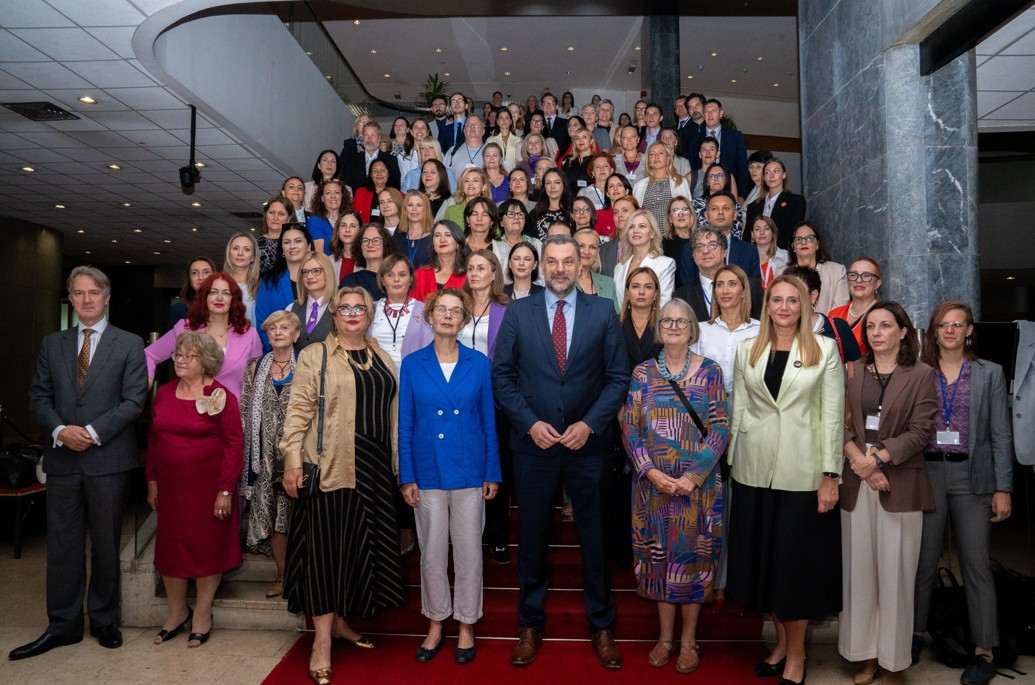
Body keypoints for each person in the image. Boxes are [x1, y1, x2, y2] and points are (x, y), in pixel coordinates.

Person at [493, 235, 630, 671]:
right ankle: (530, 624)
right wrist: (529, 423)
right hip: (533, 446)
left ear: (580, 264)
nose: (559, 269)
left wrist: (589, 424)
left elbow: (618, 377)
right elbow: (502, 377)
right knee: (532, 540)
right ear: (541, 266)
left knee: (595, 540)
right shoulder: (519, 312)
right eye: (551, 261)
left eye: (567, 261)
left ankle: (602, 626)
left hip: (588, 446)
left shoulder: (602, 311)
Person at [12, 267, 148, 661]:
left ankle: (104, 620)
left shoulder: (129, 344)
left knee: (105, 544)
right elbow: (38, 397)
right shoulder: (52, 343)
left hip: (107, 460)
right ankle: (63, 625)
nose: (87, 299)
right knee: (63, 547)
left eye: (93, 292)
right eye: (79, 293)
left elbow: (134, 401)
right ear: (70, 299)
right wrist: (60, 430)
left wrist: (88, 431)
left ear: (106, 296)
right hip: (62, 460)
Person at [279, 286, 405, 684]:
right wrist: (291, 461)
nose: (352, 313)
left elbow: (393, 414)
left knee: (356, 553)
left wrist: (398, 467)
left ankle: (341, 623)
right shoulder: (315, 355)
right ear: (334, 315)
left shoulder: (380, 355)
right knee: (325, 556)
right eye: (344, 308)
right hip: (331, 467)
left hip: (375, 470)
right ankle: (321, 642)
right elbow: (297, 411)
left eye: (359, 308)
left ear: (369, 316)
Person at [727, 274, 845, 685]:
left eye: (792, 300)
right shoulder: (748, 348)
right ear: (766, 306)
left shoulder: (824, 350)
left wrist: (831, 475)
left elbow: (832, 416)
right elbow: (740, 408)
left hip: (803, 475)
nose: (783, 307)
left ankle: (796, 657)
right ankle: (779, 646)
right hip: (753, 471)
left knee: (793, 571)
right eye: (776, 300)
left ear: (805, 306)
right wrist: (732, 461)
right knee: (766, 567)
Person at [622, 298, 729, 674]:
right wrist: (650, 472)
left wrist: (691, 477)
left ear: (692, 328)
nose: (673, 326)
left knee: (692, 562)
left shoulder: (711, 372)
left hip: (697, 489)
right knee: (657, 562)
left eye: (681, 321)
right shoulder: (642, 373)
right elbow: (630, 427)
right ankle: (665, 639)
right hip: (652, 487)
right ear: (659, 327)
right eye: (667, 320)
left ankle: (688, 642)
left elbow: (720, 429)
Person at [912, 301, 1014, 685]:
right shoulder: (920, 372)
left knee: (976, 565)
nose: (950, 331)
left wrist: (1004, 487)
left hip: (973, 477)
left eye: (958, 324)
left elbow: (1001, 434)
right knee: (922, 562)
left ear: (969, 330)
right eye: (943, 325)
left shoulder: (990, 373)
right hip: (927, 474)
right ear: (934, 332)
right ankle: (914, 635)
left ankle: (984, 651)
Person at [399, 287, 501, 665]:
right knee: (431, 553)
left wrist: (492, 472)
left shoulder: (479, 363)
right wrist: (407, 476)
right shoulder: (413, 364)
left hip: (469, 469)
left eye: (455, 311)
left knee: (470, 553)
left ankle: (467, 623)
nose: (447, 316)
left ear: (463, 320)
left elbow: (488, 421)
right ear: (429, 317)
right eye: (441, 309)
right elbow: (405, 424)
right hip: (427, 470)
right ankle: (436, 621)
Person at [839, 302, 939, 685]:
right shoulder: (852, 371)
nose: (877, 333)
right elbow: (837, 422)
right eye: (871, 327)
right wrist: (861, 463)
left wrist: (877, 461)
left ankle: (893, 662)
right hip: (857, 480)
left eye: (885, 326)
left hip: (900, 482)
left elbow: (921, 430)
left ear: (902, 331)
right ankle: (865, 656)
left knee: (896, 575)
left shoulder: (921, 374)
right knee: (860, 573)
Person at [146, 331, 243, 648]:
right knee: (170, 550)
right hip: (171, 489)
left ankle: (202, 614)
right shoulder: (164, 392)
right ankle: (176, 613)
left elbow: (234, 445)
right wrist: (152, 480)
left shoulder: (221, 396)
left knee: (207, 550)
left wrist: (225, 490)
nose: (180, 360)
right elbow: (154, 440)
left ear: (206, 362)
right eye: (178, 354)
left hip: (209, 490)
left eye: (189, 356)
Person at [240, 311, 300, 601]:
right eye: (272, 328)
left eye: (284, 327)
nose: (277, 332)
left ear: (296, 335)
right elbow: (244, 411)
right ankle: (282, 575)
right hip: (263, 459)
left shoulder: (309, 365)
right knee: (273, 515)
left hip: (297, 457)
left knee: (297, 516)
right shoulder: (254, 367)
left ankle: (302, 576)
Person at [146, 273, 262, 399]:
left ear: (233, 300)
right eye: (213, 292)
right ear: (204, 297)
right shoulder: (185, 328)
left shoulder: (250, 334)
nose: (219, 298)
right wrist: (147, 381)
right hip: (191, 407)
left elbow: (257, 381)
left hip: (234, 409)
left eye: (226, 293)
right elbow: (149, 355)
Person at [782, 264, 863, 364]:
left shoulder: (838, 327)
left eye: (798, 292)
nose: (790, 299)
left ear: (813, 296)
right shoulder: (776, 330)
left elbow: (856, 368)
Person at [678, 192, 759, 286]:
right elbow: (688, 287)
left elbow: (753, 288)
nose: (720, 212)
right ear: (706, 216)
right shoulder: (690, 248)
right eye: (714, 209)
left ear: (735, 215)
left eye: (726, 208)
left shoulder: (749, 251)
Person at [367, 254, 430, 366]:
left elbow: (429, 351)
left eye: (402, 274)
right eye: (390, 275)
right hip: (376, 374)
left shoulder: (424, 310)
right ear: (382, 280)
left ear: (411, 279)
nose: (396, 279)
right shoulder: (370, 309)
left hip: (413, 374)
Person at [613, 209, 677, 309]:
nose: (635, 231)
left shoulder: (665, 264)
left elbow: (664, 305)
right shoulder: (619, 267)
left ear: (652, 233)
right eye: (631, 227)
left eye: (642, 226)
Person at [783, 221, 848, 315]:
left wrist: (820, 323)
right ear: (793, 246)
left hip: (827, 323)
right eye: (798, 239)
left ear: (817, 244)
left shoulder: (837, 271)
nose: (803, 242)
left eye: (809, 238)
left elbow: (839, 311)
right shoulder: (781, 273)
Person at [745, 158, 807, 251]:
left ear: (784, 175)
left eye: (776, 171)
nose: (771, 175)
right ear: (764, 178)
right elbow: (747, 237)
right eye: (767, 172)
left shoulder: (795, 201)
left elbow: (794, 232)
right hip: (757, 255)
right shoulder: (753, 206)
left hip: (783, 254)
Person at [633, 142, 693, 232]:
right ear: (649, 161)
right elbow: (635, 215)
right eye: (652, 154)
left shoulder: (680, 182)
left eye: (661, 153)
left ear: (668, 158)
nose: (656, 157)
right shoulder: (639, 186)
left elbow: (688, 213)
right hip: (649, 235)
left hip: (674, 235)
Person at [827, 257, 882, 355]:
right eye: (853, 275)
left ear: (877, 283)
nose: (859, 280)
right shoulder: (834, 314)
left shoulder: (883, 315)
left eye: (866, 276)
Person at [289, 251, 337, 352]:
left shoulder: (339, 307)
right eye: (305, 272)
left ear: (327, 273)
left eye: (316, 271)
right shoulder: (291, 308)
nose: (309, 276)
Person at [410, 220, 469, 301]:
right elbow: (412, 305)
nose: (442, 240)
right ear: (433, 244)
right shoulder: (420, 274)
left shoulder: (468, 275)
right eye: (437, 235)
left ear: (458, 242)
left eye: (448, 235)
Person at [342, 223, 397, 300]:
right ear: (360, 246)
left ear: (385, 244)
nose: (370, 245)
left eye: (376, 240)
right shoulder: (350, 281)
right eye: (365, 241)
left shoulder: (395, 279)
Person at [692, 163, 742, 237]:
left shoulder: (735, 205)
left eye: (720, 175)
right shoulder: (695, 205)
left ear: (726, 180)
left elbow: (737, 234)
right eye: (711, 176)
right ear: (707, 182)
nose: (716, 179)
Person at [169, 256, 216, 329]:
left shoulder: (226, 305)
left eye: (206, 272)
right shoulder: (178, 309)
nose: (201, 277)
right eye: (194, 273)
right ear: (190, 281)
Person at [224, 233, 260, 327]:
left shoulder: (262, 286)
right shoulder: (219, 284)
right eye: (235, 248)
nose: (240, 253)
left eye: (246, 249)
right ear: (229, 253)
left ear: (253, 257)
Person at [528, 168, 573, 241]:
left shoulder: (573, 211)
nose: (552, 187)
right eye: (548, 183)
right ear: (544, 187)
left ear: (564, 185)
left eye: (557, 182)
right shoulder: (534, 214)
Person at [306, 179, 349, 256]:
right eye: (328, 193)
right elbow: (319, 255)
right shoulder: (315, 221)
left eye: (337, 192)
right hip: (327, 263)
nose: (333, 196)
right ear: (322, 198)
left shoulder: (349, 219)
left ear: (342, 196)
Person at [394, 190, 435, 270]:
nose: (414, 209)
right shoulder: (398, 235)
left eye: (419, 205)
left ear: (426, 209)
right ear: (405, 209)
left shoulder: (435, 236)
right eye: (410, 205)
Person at [257, 196, 294, 276]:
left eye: (281, 214)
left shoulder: (296, 243)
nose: (275, 218)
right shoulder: (254, 244)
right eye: (271, 213)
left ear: (289, 218)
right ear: (265, 215)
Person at [750, 215, 789, 289]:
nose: (762, 232)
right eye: (757, 229)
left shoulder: (786, 256)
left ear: (773, 233)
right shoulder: (746, 258)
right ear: (752, 234)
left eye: (766, 228)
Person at [662, 196, 698, 268]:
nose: (680, 214)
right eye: (675, 211)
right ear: (670, 218)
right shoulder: (662, 243)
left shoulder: (701, 239)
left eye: (685, 210)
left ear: (691, 215)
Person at [353, 160, 393, 225]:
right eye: (375, 171)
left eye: (382, 170)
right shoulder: (361, 193)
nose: (379, 173)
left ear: (388, 173)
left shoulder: (397, 195)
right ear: (371, 175)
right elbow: (355, 218)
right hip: (366, 230)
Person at [595, 173, 633, 239]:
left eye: (619, 185)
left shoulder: (638, 212)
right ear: (607, 193)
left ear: (627, 191)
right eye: (611, 186)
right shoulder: (599, 215)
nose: (615, 188)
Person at [328, 211, 361, 283]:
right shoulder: (329, 261)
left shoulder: (367, 260)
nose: (347, 230)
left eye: (352, 226)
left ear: (360, 231)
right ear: (338, 230)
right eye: (343, 225)